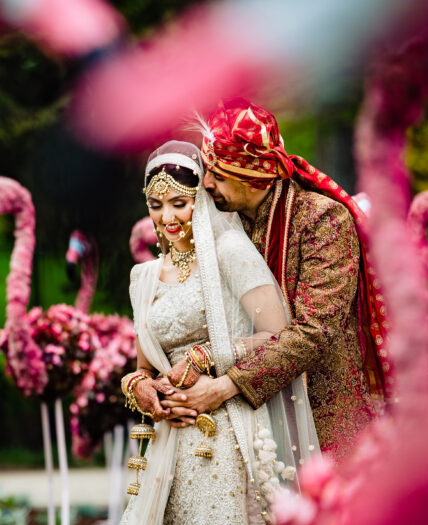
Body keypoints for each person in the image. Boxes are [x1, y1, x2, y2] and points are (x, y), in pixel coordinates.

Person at [59, 141, 319, 525]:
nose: (168, 218)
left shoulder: (228, 253)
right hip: (166, 442)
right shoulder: (145, 278)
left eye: (179, 202)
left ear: (202, 198)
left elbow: (277, 333)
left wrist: (209, 357)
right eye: (157, 205)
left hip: (220, 430)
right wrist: (141, 391)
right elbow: (139, 367)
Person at [161, 98, 392, 458]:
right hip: (247, 425)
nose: (205, 184)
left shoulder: (322, 221)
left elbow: (314, 331)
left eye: (218, 175)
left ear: (253, 177)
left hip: (325, 418)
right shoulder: (222, 223)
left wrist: (223, 388)